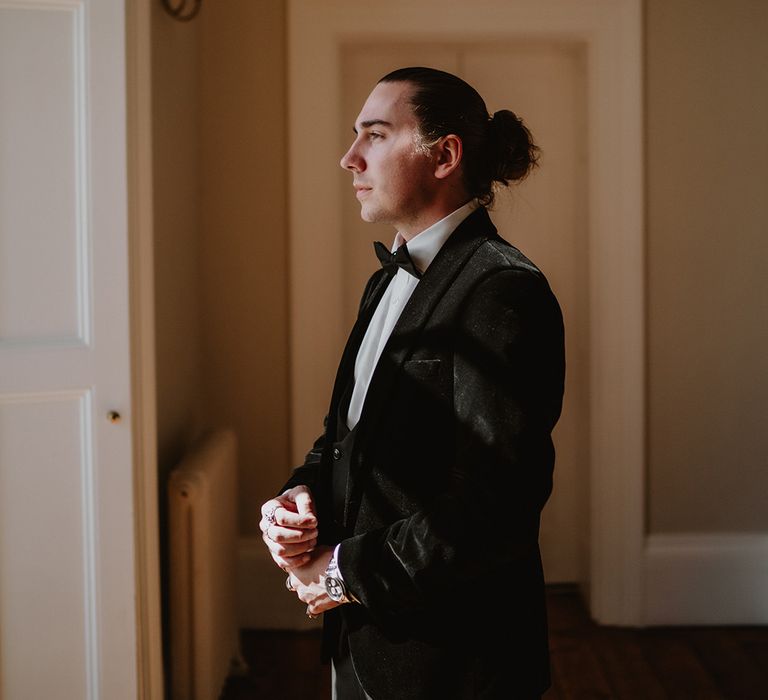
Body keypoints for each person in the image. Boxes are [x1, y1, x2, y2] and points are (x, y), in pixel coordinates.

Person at [260, 66, 565, 699]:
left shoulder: (501, 290)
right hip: (366, 641)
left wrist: (341, 573)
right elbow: (344, 437)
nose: (349, 159)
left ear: (445, 154)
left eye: (374, 134)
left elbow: (497, 504)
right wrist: (299, 500)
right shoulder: (385, 282)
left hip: (453, 661)